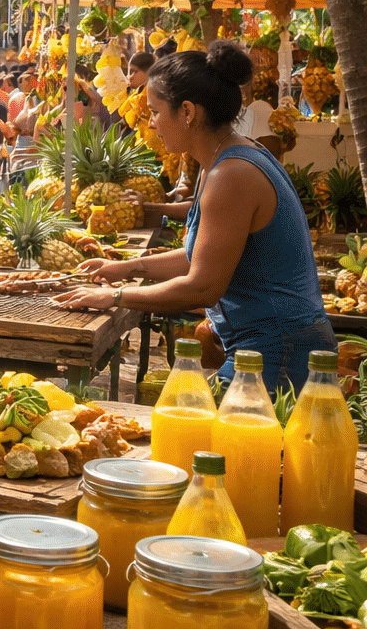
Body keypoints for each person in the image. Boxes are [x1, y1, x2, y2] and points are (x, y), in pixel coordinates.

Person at [55, 42, 333, 390]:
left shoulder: (231, 173)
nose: (152, 123)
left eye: (155, 111)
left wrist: (114, 296)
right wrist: (122, 268)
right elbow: (196, 256)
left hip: (279, 350)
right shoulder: (226, 157)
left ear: (187, 111)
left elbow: (202, 287)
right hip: (268, 346)